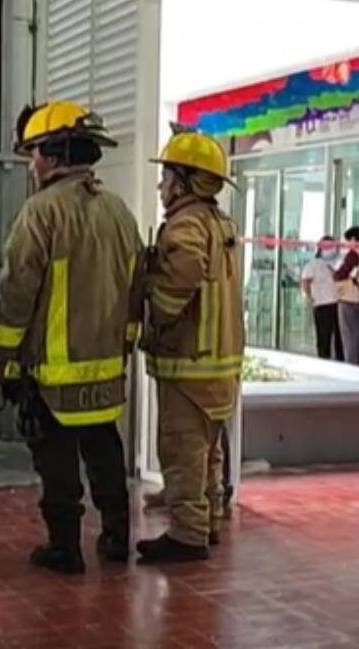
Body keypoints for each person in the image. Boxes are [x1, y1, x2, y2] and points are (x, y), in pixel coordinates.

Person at [0, 100, 142, 574]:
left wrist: (1, 360)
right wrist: (123, 345)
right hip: (107, 371)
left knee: (56, 464)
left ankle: (65, 548)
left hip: (50, 375)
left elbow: (16, 295)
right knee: (104, 452)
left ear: (52, 155)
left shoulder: (40, 213)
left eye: (34, 152)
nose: (31, 163)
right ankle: (117, 539)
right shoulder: (118, 212)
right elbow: (136, 289)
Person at [137, 128, 244, 563]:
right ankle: (210, 520)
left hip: (189, 362)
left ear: (184, 181)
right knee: (210, 451)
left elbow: (179, 279)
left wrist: (157, 315)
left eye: (166, 178)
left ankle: (188, 533)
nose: (161, 186)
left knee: (182, 450)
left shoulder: (185, 226)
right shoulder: (221, 223)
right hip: (221, 364)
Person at [333, 226, 359, 366]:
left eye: (348, 240)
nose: (347, 244)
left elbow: (340, 274)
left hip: (350, 299)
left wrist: (334, 272)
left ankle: (352, 368)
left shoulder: (354, 254)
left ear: (354, 239)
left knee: (350, 338)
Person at [301, 235, 342, 360]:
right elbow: (305, 282)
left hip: (338, 303)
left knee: (340, 338)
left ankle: (341, 361)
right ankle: (324, 360)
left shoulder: (339, 262)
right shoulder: (313, 264)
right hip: (322, 304)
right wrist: (309, 297)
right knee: (323, 336)